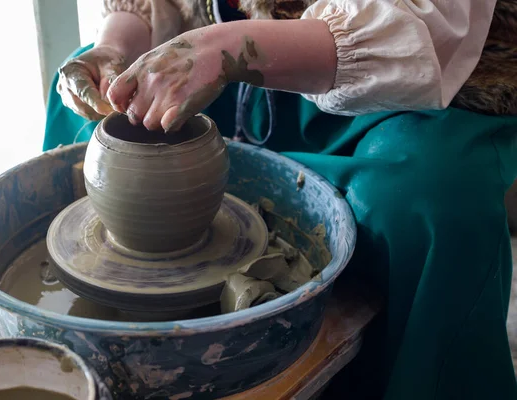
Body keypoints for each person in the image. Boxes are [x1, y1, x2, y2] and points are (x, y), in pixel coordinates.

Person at [44, 1, 517, 399]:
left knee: (422, 201)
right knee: (94, 121)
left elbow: (427, 27)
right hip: (216, 57)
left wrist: (228, 50)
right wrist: (116, 45)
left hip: (392, 76)